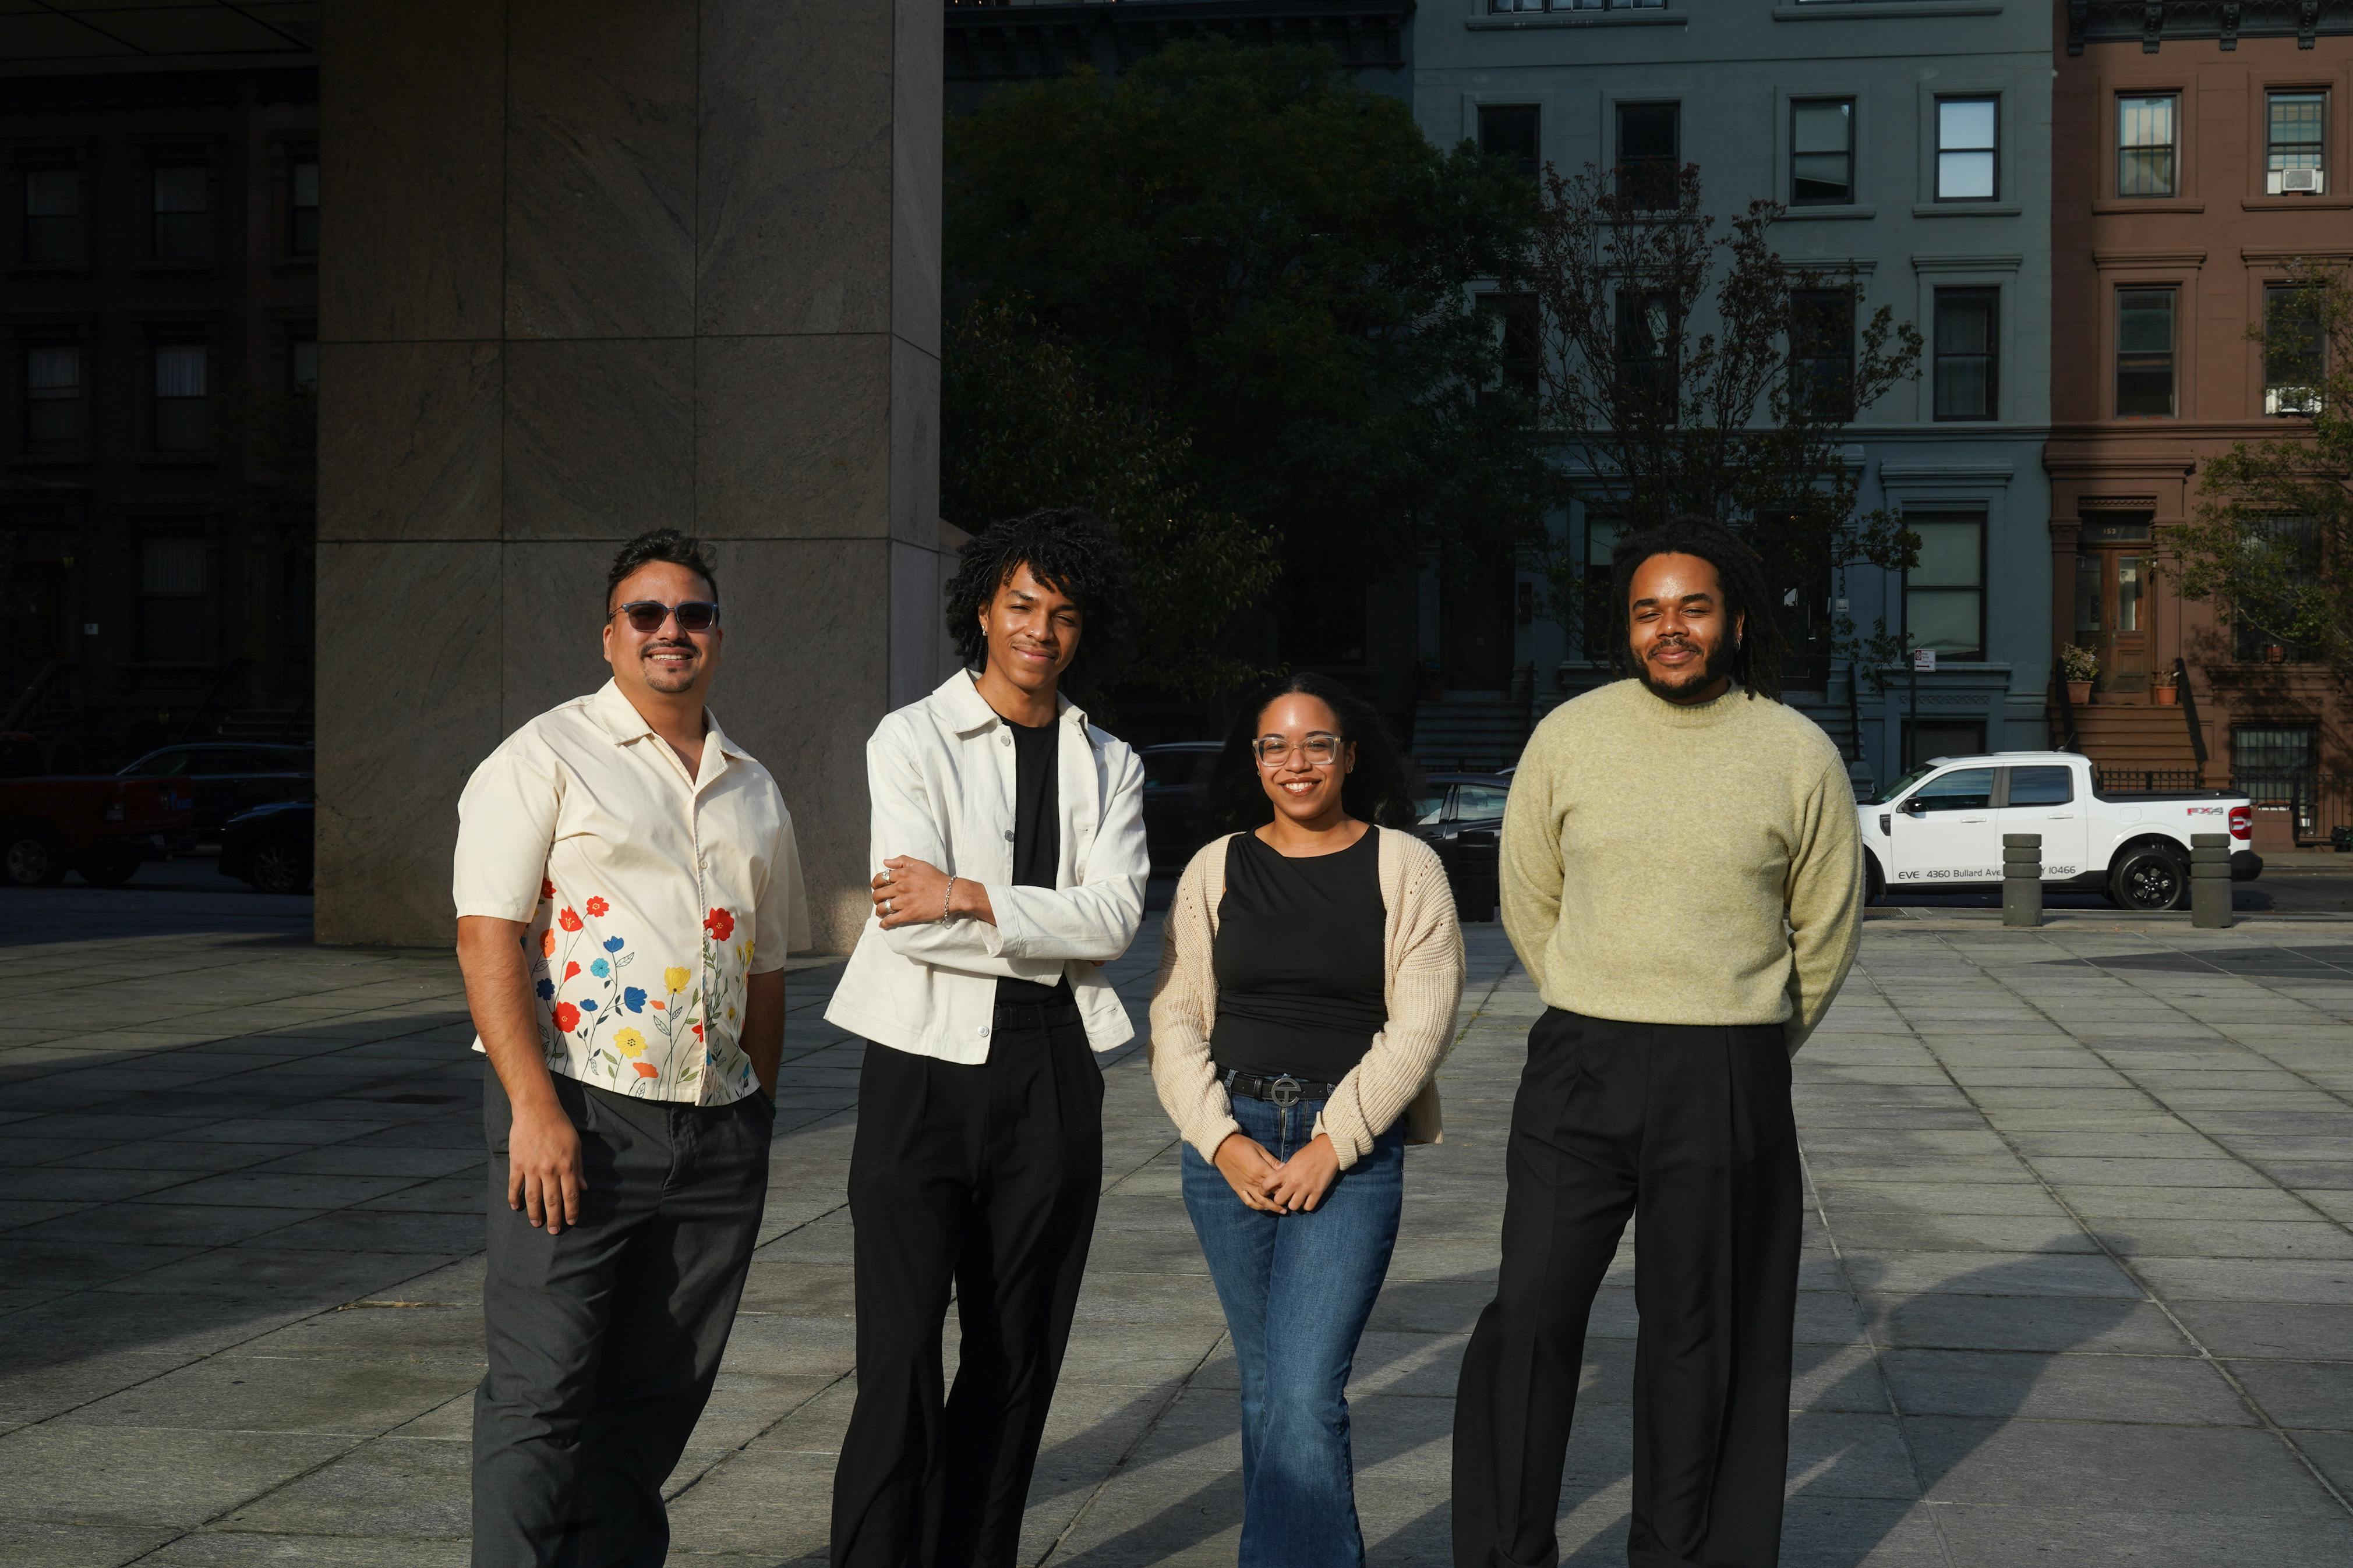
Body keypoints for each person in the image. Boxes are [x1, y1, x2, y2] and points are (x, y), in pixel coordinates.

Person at [1452, 516, 1863, 1568]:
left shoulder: (1795, 751)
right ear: (1625, 625)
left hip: (1728, 1068)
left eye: (1692, 607)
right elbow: (1528, 897)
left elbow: (1825, 926)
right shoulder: (1570, 735)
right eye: (1647, 610)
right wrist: (1594, 996)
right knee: (1528, 1316)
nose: (1668, 629)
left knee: (1701, 1338)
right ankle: (1506, 1552)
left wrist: (1749, 1031)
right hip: (1580, 1057)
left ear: (1734, 619)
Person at [455, 528, 810, 1567]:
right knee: (541, 1391)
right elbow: (488, 936)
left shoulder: (754, 786)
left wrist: (756, 1117)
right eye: (646, 614)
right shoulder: (545, 755)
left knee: (656, 1395)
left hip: (716, 1131)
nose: (671, 631)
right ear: (609, 634)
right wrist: (532, 1110)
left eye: (691, 614)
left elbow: (769, 970)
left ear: (716, 634)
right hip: (578, 1114)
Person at [824, 508, 1150, 1568]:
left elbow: (1118, 921)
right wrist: (1044, 920)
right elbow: (907, 930)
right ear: (983, 610)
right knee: (903, 1353)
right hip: (921, 1068)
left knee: (1019, 1354)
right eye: (1023, 606)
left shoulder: (1112, 762)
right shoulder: (910, 738)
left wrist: (968, 894)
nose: (1041, 632)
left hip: (1053, 1069)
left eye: (1062, 614)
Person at [1150, 672, 1466, 1567]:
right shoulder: (1217, 867)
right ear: (1253, 761)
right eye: (1275, 745)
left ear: (1349, 755)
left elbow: (1422, 1024)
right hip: (1232, 1142)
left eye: (1316, 743)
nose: (1297, 762)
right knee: (1266, 1390)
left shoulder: (1406, 865)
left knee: (1301, 1391)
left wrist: (1336, 1141)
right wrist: (1222, 1140)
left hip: (1349, 1151)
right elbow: (1176, 1016)